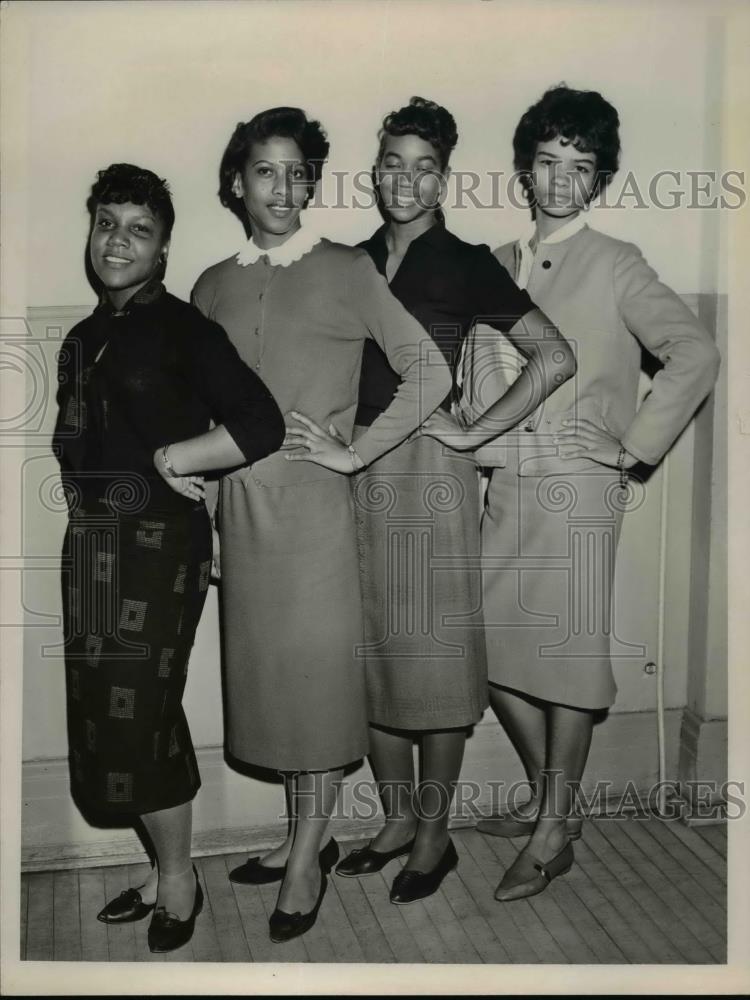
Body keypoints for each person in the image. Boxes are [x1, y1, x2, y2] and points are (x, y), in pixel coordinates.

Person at [189, 107, 452, 941]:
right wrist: (202, 494)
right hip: (241, 513)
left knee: (314, 694)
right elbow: (202, 402)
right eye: (267, 170)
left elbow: (428, 370)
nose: (284, 186)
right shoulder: (210, 283)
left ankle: (308, 855)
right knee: (271, 689)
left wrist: (357, 453)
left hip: (315, 518)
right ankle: (305, 832)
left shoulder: (343, 269)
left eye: (299, 171)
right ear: (237, 183)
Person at [465, 85, 720, 900]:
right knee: (490, 650)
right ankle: (555, 800)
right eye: (548, 162)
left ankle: (553, 826)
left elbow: (695, 354)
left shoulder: (617, 262)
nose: (561, 179)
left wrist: (630, 446)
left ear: (599, 177)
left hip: (580, 490)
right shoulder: (494, 263)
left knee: (570, 658)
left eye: (579, 167)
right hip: (506, 484)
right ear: (525, 170)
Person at [333, 97, 576, 904]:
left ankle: (435, 836)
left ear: (444, 177)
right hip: (353, 468)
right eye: (392, 162)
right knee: (368, 652)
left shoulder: (468, 260)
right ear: (375, 172)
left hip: (428, 479)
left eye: (423, 165)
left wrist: (473, 435)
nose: (406, 179)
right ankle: (399, 818)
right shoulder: (350, 260)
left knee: (431, 661)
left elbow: (554, 355)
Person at [54, 163, 285, 953]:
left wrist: (181, 458)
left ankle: (180, 878)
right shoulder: (84, 336)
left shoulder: (186, 329)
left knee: (138, 720)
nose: (118, 240)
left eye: (138, 230)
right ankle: (162, 867)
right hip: (90, 547)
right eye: (107, 223)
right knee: (113, 717)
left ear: (162, 252)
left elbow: (261, 422)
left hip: (158, 552)